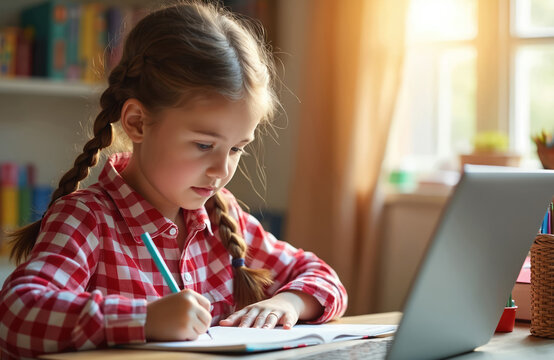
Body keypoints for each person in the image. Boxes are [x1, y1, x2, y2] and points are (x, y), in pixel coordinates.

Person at [0, 1, 347, 358]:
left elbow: (322, 277)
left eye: (236, 149)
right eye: (203, 145)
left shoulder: (221, 215)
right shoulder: (86, 218)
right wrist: (145, 319)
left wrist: (288, 303)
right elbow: (16, 314)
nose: (221, 170)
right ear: (136, 122)